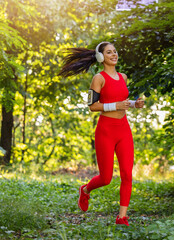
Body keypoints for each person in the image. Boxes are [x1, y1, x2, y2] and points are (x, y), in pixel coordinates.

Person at [59, 41, 144, 225]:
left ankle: (122, 217)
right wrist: (116, 105)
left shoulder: (123, 77)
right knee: (106, 178)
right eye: (109, 52)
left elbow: (123, 101)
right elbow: (92, 106)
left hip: (124, 129)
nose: (114, 54)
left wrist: (133, 104)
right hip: (106, 130)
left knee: (127, 175)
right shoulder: (99, 78)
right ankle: (85, 190)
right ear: (101, 57)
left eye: (115, 51)